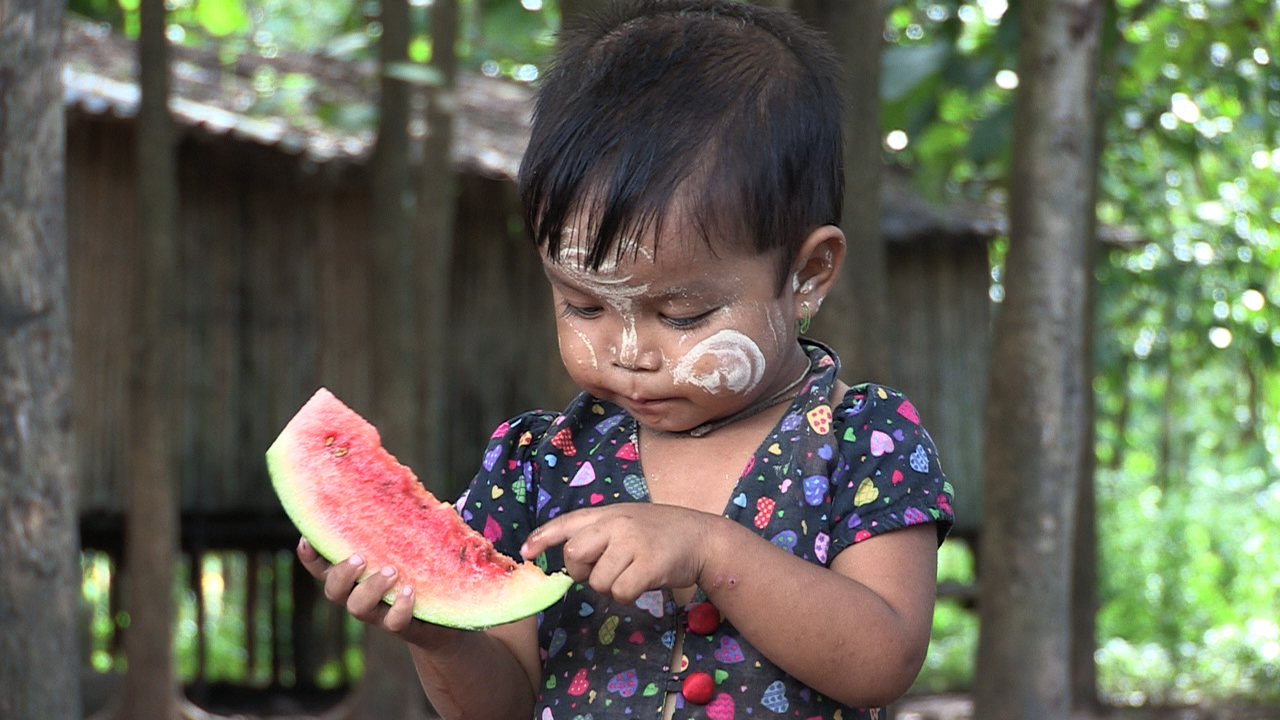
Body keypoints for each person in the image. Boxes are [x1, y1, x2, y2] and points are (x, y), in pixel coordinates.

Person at [297, 1, 955, 718]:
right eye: (584, 307)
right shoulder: (534, 465)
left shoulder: (865, 438)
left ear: (809, 273)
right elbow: (502, 707)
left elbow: (881, 660)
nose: (630, 352)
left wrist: (711, 549)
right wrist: (441, 635)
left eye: (683, 314)